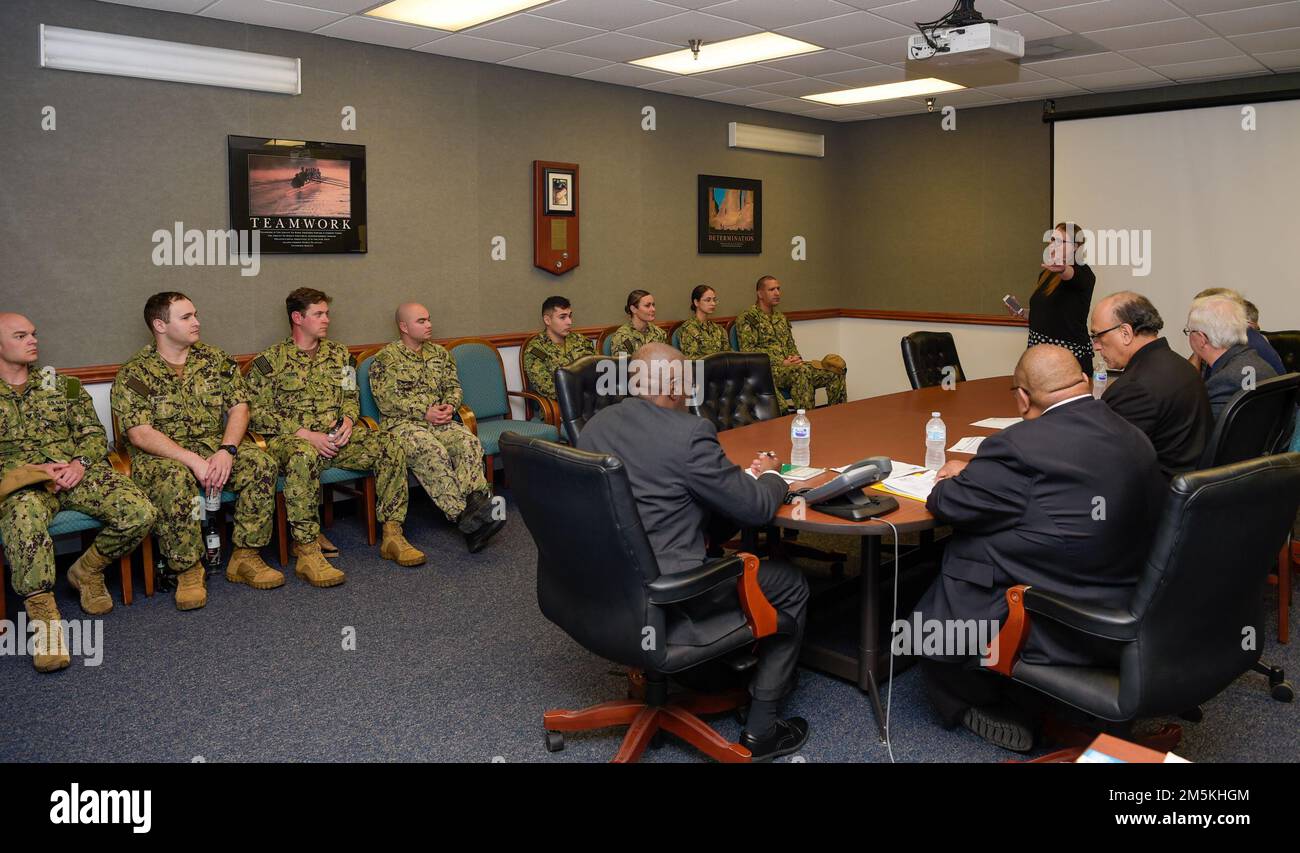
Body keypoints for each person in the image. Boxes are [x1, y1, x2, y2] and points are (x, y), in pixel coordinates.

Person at [914, 345, 1165, 751]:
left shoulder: (1018, 445)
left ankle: (969, 701)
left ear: (1023, 398)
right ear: (1084, 381)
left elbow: (947, 505)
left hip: (1067, 618)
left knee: (966, 552)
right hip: (1134, 599)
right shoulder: (1131, 432)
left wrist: (953, 478)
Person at [577, 342, 811, 761]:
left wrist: (731, 480)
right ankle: (761, 731)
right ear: (671, 386)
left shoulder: (596, 425)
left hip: (600, 589)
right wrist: (772, 477)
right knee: (791, 583)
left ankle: (701, 670)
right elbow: (756, 510)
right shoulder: (687, 433)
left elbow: (662, 486)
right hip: (670, 593)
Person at [0, 313, 156, 671]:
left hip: (76, 474)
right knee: (23, 519)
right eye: (21, 335)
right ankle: (46, 623)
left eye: (34, 334)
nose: (33, 341)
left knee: (139, 511)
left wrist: (79, 464)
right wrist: (34, 472)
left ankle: (87, 570)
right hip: (23, 486)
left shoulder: (63, 386)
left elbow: (93, 434)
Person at [112, 293, 282, 611]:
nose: (197, 322)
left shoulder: (215, 359)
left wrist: (227, 450)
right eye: (187, 317)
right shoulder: (135, 372)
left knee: (260, 462)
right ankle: (187, 570)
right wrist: (191, 460)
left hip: (212, 445)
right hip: (160, 455)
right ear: (160, 325)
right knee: (174, 478)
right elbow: (140, 433)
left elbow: (240, 407)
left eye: (196, 314)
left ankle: (246, 556)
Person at [246, 289, 425, 587]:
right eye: (319, 314)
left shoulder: (340, 355)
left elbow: (350, 396)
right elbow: (255, 412)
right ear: (297, 318)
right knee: (304, 456)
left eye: (327, 313)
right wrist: (305, 434)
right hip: (293, 442)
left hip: (335, 438)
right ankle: (306, 550)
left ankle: (393, 534)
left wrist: (347, 420)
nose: (326, 319)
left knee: (389, 445)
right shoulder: (270, 361)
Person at [369, 303, 504, 553]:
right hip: (403, 425)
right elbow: (386, 401)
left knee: (468, 442)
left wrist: (449, 407)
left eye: (429, 319)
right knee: (432, 452)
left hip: (440, 420)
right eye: (421, 321)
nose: (429, 324)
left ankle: (476, 510)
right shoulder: (386, 358)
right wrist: (424, 411)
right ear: (403, 326)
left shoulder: (440, 354)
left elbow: (454, 387)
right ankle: (467, 518)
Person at [1089, 292, 1212, 479]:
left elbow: (1104, 463)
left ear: (1125, 333)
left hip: (1157, 499)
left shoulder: (1133, 388)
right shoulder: (1182, 366)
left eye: (1097, 336)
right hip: (1190, 491)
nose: (1096, 346)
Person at [735, 275, 846, 410]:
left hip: (791, 367)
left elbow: (790, 345)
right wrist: (781, 362)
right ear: (760, 294)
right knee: (801, 372)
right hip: (768, 370)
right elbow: (748, 352)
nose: (777, 293)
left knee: (835, 370)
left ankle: (838, 415)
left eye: (778, 289)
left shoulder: (780, 318)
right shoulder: (747, 318)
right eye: (771, 290)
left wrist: (795, 358)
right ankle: (806, 421)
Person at [1007, 222, 1096, 375]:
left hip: (1068, 359)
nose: (1053, 244)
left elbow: (1070, 274)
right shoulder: (1046, 274)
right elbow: (1046, 313)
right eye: (1053, 240)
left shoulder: (1083, 273)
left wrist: (1062, 268)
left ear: (1076, 247)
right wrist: (1022, 312)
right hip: (1039, 353)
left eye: (1061, 241)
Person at [1186, 295, 1278, 421]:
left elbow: (1203, 432)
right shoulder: (1260, 364)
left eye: (1190, 331)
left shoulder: (1225, 380)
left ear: (1202, 339)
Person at [1188, 288, 1284, 376]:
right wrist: (1199, 346)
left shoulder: (1243, 344)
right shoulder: (1225, 339)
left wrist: (1201, 342)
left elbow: (1192, 384)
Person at [522, 296, 596, 403]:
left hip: (591, 401)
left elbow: (598, 369)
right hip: (562, 407)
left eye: (570, 316)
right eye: (562, 317)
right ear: (547, 320)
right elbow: (547, 387)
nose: (569, 322)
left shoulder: (581, 340)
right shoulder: (536, 349)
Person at [605, 290, 667, 357]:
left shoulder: (659, 333)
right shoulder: (622, 337)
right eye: (647, 306)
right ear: (633, 309)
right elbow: (622, 366)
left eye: (653, 305)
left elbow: (667, 360)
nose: (653, 309)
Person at [677, 285, 729, 360]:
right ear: (696, 302)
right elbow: (693, 362)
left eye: (714, 300)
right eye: (708, 300)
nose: (713, 303)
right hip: (702, 370)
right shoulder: (688, 329)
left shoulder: (718, 329)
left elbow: (728, 355)